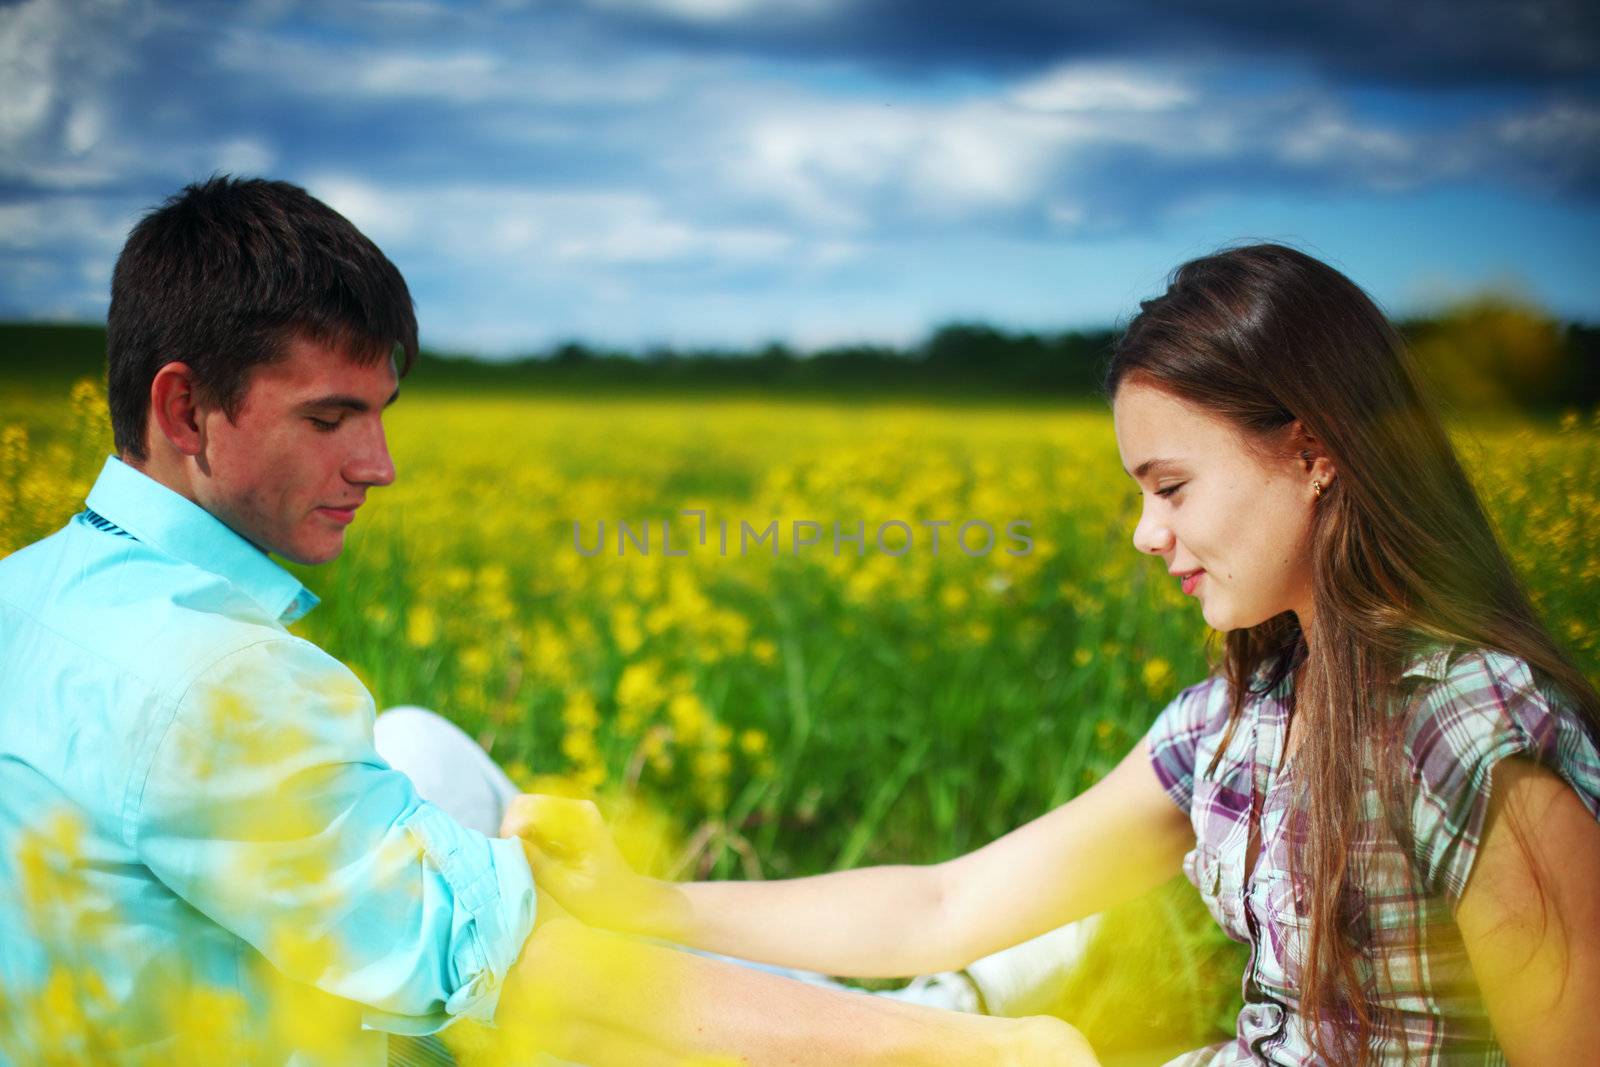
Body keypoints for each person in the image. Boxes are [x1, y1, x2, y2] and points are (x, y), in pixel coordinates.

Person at [0, 176, 1096, 1066]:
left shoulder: (29, 589)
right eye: (329, 418)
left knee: (422, 749)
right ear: (184, 408)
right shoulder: (213, 676)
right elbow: (532, 981)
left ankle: (901, 999)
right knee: (546, 969)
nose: (376, 466)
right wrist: (984, 1057)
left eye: (378, 415)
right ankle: (937, 1017)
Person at [508, 244, 1600, 1065]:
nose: (1144, 533)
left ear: (1311, 452)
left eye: (1170, 487)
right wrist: (644, 900)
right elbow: (942, 902)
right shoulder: (1238, 716)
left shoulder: (1471, 726)